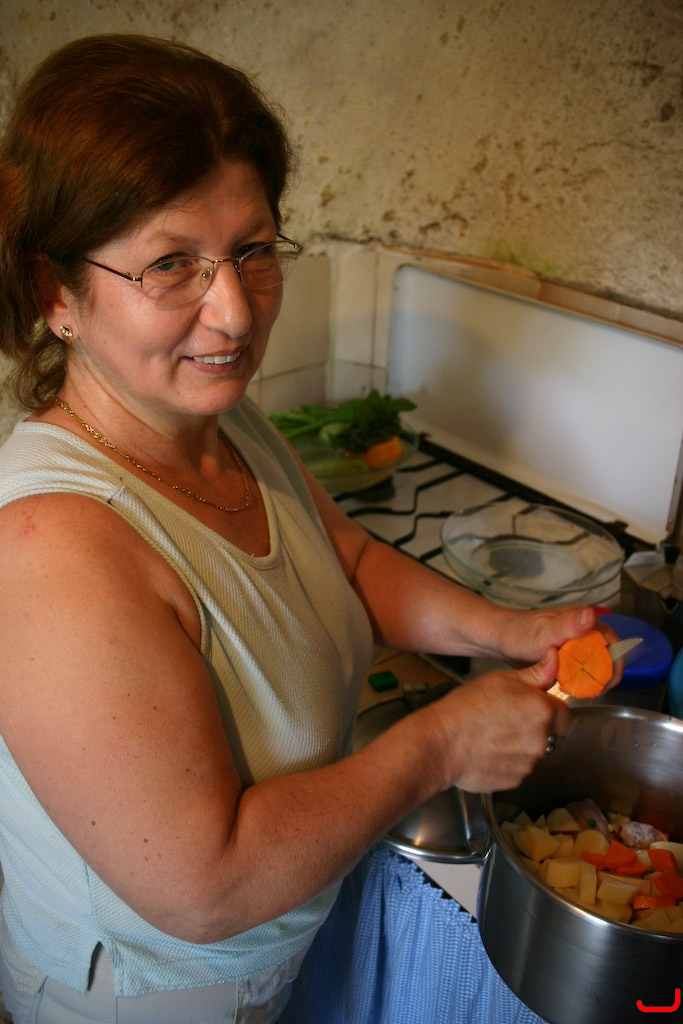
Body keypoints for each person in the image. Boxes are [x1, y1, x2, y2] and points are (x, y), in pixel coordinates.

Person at [0, 34, 619, 1024]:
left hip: (267, 960)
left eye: (253, 249)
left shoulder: (213, 415)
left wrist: (506, 630)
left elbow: (344, 558)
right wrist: (439, 743)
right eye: (171, 264)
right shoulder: (54, 552)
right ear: (55, 294)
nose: (235, 313)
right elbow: (207, 884)